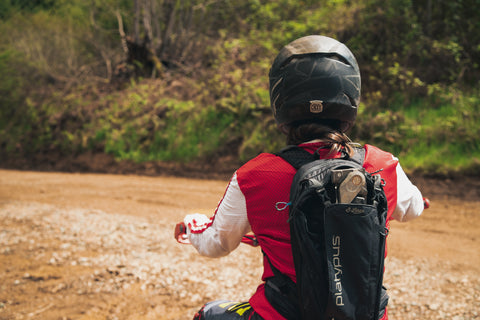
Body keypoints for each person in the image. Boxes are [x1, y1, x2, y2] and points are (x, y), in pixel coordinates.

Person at [174, 35, 425, 320]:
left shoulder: (255, 175)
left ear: (280, 99)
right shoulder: (383, 165)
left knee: (208, 314)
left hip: (280, 314)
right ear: (350, 95)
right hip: (366, 315)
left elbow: (215, 243)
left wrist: (192, 223)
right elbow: (413, 207)